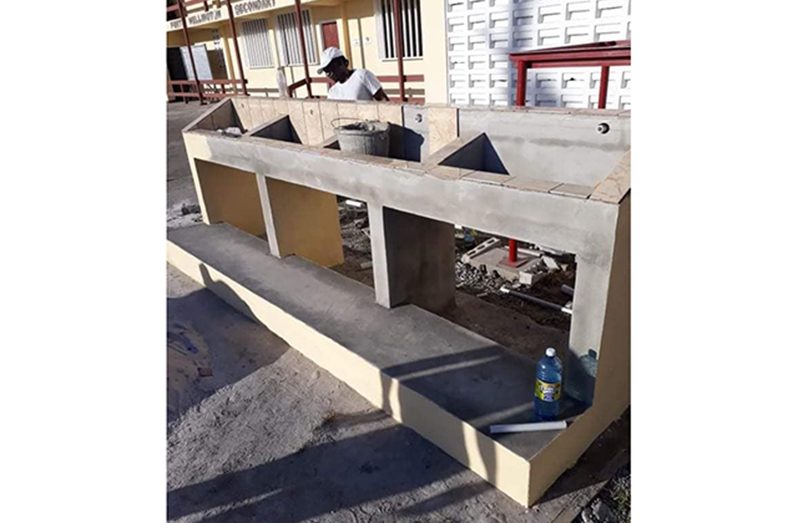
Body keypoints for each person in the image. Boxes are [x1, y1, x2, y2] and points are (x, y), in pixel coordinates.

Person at [317, 47, 390, 102]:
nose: (329, 74)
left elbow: (384, 102)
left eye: (331, 68)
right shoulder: (332, 92)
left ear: (344, 63)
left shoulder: (362, 75)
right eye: (326, 71)